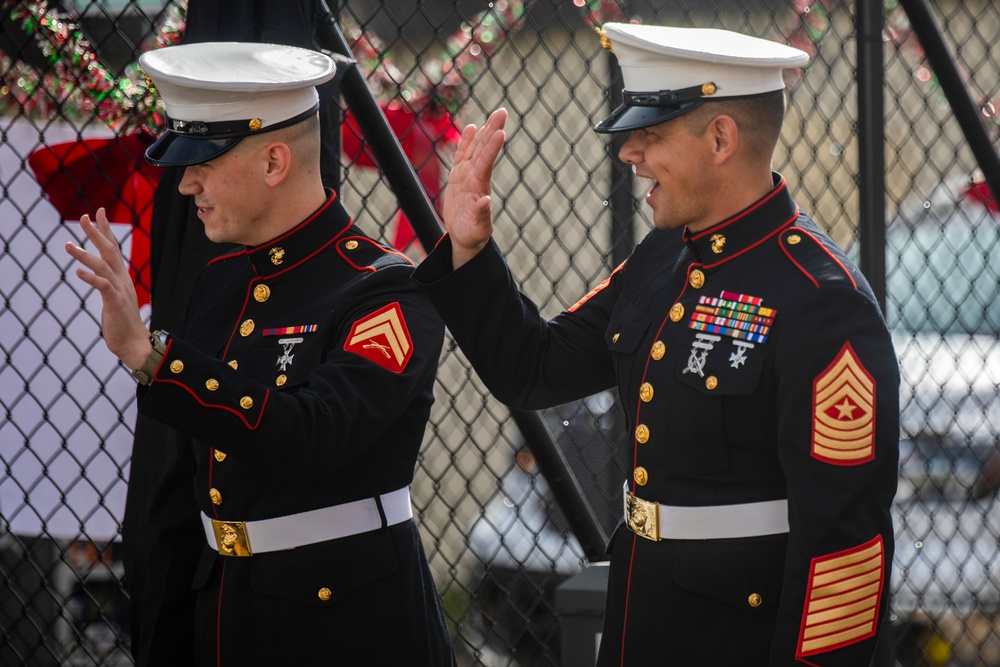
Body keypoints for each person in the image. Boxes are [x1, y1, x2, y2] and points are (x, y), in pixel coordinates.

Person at [413, 23, 899, 666]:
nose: (629, 152)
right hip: (641, 620)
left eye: (653, 134)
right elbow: (533, 367)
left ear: (721, 139)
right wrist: (470, 250)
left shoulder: (822, 300)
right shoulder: (665, 256)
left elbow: (845, 552)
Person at [65, 42, 454, 666]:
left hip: (345, 630)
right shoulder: (221, 281)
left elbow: (310, 437)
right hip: (221, 615)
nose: (186, 182)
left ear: (275, 161)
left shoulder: (385, 291)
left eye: (204, 161)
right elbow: (180, 492)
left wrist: (153, 359)